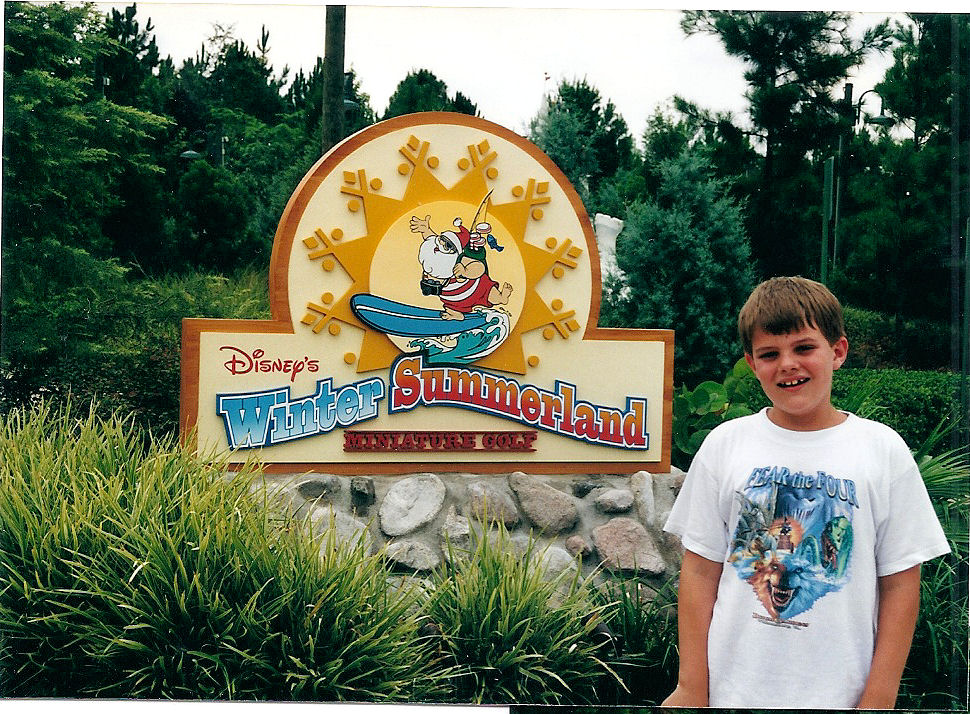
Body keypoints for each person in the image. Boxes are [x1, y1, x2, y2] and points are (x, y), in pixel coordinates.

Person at [661, 276, 950, 709]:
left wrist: (880, 696)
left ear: (838, 351)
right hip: (732, 693)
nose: (787, 364)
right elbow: (701, 572)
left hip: (841, 696)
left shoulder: (882, 449)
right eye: (769, 354)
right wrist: (691, 686)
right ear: (751, 362)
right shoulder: (725, 444)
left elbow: (901, 583)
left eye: (804, 348)